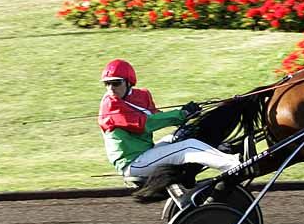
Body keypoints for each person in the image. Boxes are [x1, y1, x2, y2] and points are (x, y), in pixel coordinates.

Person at [97, 59, 241, 180]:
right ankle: (233, 165)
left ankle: (219, 150)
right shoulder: (109, 104)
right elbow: (146, 123)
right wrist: (181, 114)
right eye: (107, 84)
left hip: (147, 153)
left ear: (129, 82)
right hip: (133, 164)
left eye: (116, 83)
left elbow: (157, 116)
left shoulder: (141, 95)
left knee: (182, 135)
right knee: (188, 146)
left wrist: (188, 115)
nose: (111, 88)